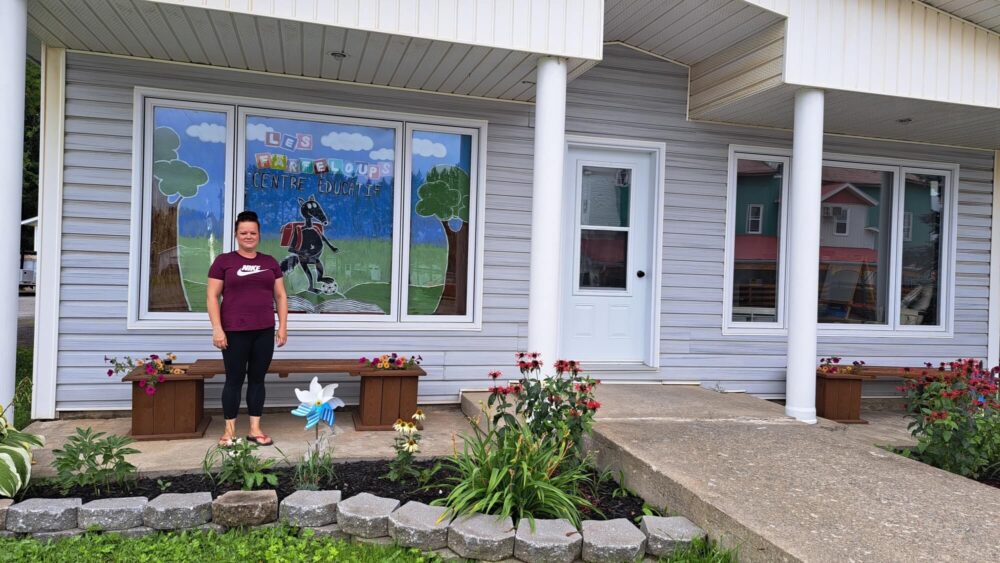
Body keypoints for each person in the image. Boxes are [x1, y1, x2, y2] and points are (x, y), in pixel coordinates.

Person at [207, 211, 288, 446]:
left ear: (259, 235)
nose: (248, 236)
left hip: (264, 331)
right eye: (244, 233)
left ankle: (255, 429)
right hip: (233, 331)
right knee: (234, 380)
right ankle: (229, 432)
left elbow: (281, 296)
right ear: (236, 235)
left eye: (253, 232)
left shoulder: (270, 262)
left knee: (257, 380)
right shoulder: (224, 262)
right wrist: (217, 329)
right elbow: (212, 297)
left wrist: (282, 327)